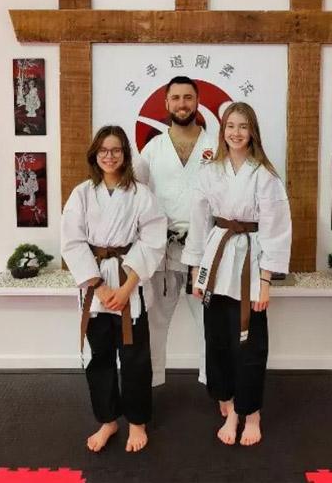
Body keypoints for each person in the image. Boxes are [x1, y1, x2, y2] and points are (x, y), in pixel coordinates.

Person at [182, 102, 292, 447]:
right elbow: (199, 223)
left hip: (249, 261)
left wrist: (265, 282)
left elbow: (276, 229)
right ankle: (229, 407)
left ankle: (252, 413)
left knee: (250, 345)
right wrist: (198, 275)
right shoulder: (210, 172)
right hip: (217, 260)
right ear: (223, 130)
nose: (236, 132)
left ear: (253, 131)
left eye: (243, 126)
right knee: (217, 341)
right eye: (231, 125)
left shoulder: (265, 175)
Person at [61, 125, 168, 453]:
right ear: (95, 154)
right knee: (98, 357)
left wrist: (125, 288)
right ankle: (107, 420)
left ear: (125, 155)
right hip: (96, 289)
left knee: (135, 359)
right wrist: (101, 288)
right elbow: (72, 241)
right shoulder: (81, 193)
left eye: (116, 150)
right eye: (103, 150)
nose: (110, 156)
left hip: (130, 286)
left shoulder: (141, 195)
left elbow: (152, 240)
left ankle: (137, 421)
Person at [135, 76, 218, 392]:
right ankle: (151, 384)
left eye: (188, 97)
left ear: (197, 102)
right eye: (176, 98)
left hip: (206, 247)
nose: (182, 104)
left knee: (208, 322)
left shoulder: (216, 146)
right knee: (155, 320)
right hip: (164, 248)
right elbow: (138, 197)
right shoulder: (152, 149)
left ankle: (215, 384)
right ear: (166, 103)